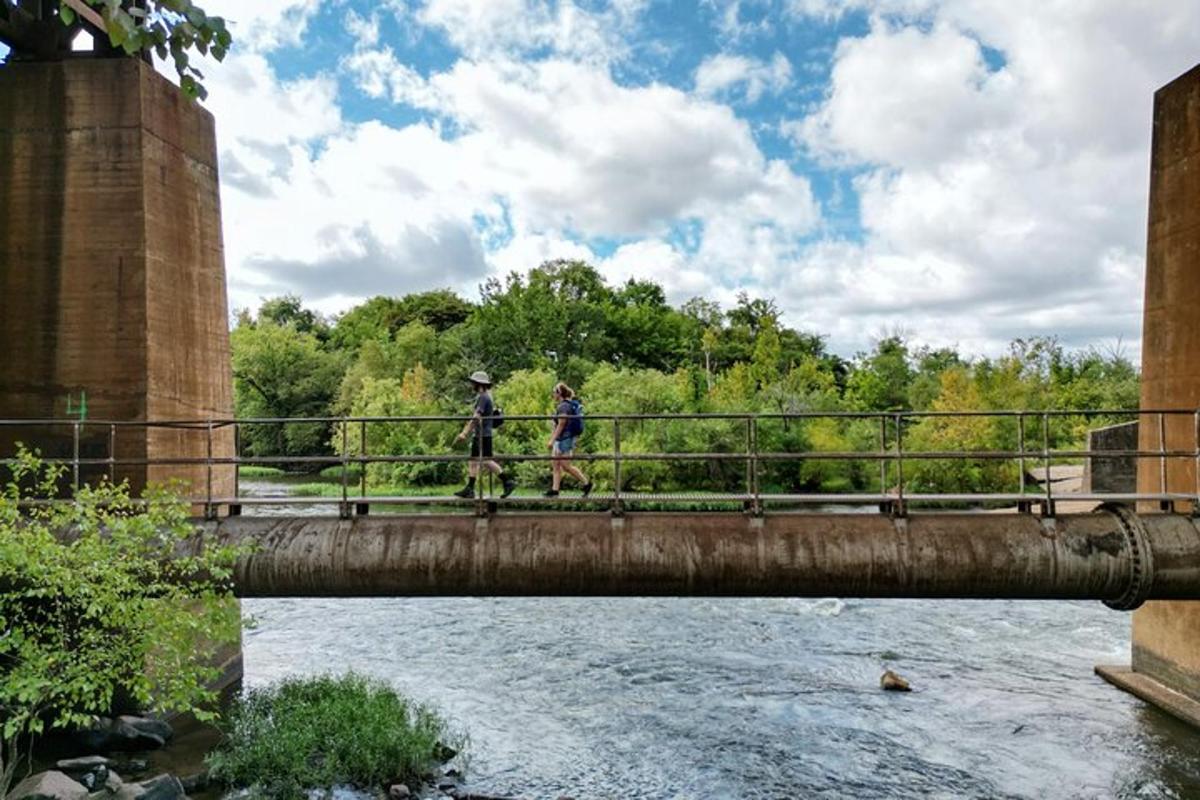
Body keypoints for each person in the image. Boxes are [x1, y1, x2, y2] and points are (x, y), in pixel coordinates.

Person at [454, 371, 516, 499]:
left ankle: (507, 481)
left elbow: (476, 417)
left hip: (483, 434)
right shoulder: (486, 396)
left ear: (478, 384)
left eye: (473, 383)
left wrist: (464, 433)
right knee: (473, 460)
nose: (472, 385)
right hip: (481, 434)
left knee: (486, 461)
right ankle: (470, 488)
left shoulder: (483, 397)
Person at [544, 382, 592, 498]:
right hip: (561, 439)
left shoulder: (564, 406)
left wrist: (552, 440)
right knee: (555, 464)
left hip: (565, 439)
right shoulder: (563, 405)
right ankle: (555, 490)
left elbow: (561, 424)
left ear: (559, 393)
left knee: (566, 465)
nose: (553, 395)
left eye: (554, 392)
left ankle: (586, 483)